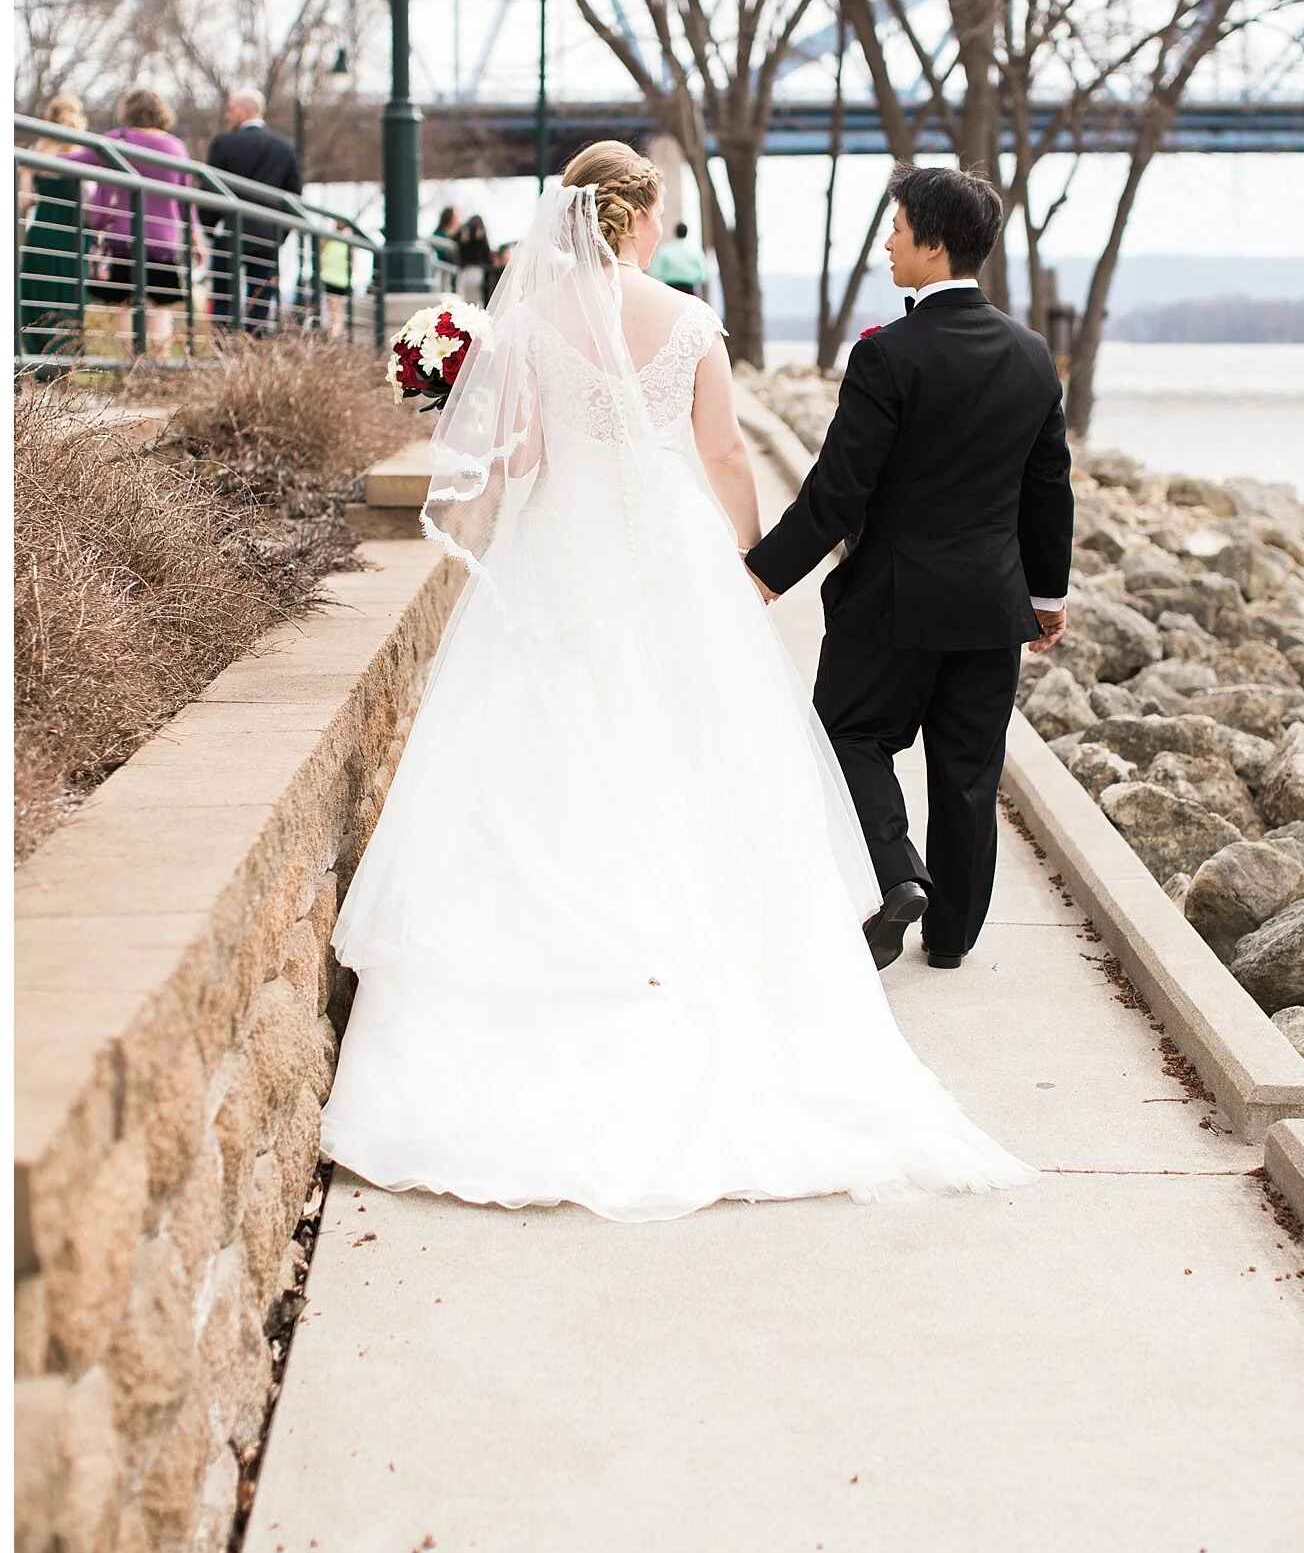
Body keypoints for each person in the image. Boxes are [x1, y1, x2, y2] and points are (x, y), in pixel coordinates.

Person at [321, 139, 1032, 1220]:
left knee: (550, 746)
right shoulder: (690, 321)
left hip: (559, 552)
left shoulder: (529, 321)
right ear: (641, 214)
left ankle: (555, 958)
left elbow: (519, 460)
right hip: (668, 555)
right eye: (657, 212)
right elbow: (725, 454)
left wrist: (458, 398)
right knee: (693, 749)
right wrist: (742, 565)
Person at [745, 163, 1074, 973]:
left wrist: (764, 573)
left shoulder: (886, 356)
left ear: (931, 243)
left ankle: (896, 876)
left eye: (895, 229)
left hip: (891, 601)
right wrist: (1046, 593)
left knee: (848, 736)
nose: (887, 244)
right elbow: (1047, 489)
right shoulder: (1032, 355)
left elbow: (838, 489)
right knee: (967, 771)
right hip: (991, 604)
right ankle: (952, 939)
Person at [74, 89, 204, 362]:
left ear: (129, 110)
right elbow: (186, 201)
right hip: (163, 241)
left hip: (124, 238)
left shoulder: (118, 140)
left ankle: (131, 367)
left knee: (125, 304)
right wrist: (196, 239)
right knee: (159, 306)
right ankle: (161, 367)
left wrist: (41, 156)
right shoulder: (176, 148)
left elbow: (79, 160)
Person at [206, 89, 301, 334]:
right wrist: (279, 234)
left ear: (247, 111)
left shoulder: (224, 144)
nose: (227, 115)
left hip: (229, 231)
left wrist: (209, 228)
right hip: (267, 234)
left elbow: (210, 190)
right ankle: (255, 346)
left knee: (223, 296)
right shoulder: (284, 147)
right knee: (260, 299)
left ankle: (223, 345)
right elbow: (293, 197)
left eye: (231, 109)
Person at [18, 94, 90, 359]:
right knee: (69, 295)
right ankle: (66, 358)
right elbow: (89, 201)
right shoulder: (83, 151)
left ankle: (37, 359)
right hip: (72, 234)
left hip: (43, 231)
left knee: (38, 292)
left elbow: (24, 200)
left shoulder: (37, 151)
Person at [650, 219, 708, 296]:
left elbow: (656, 272)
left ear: (675, 232)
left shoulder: (665, 250)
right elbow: (703, 274)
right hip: (690, 289)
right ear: (687, 233)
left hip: (670, 288)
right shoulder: (695, 250)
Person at [455, 211, 492, 305]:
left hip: (472, 270)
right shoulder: (466, 235)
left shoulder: (480, 240)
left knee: (467, 299)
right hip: (469, 270)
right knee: (470, 300)